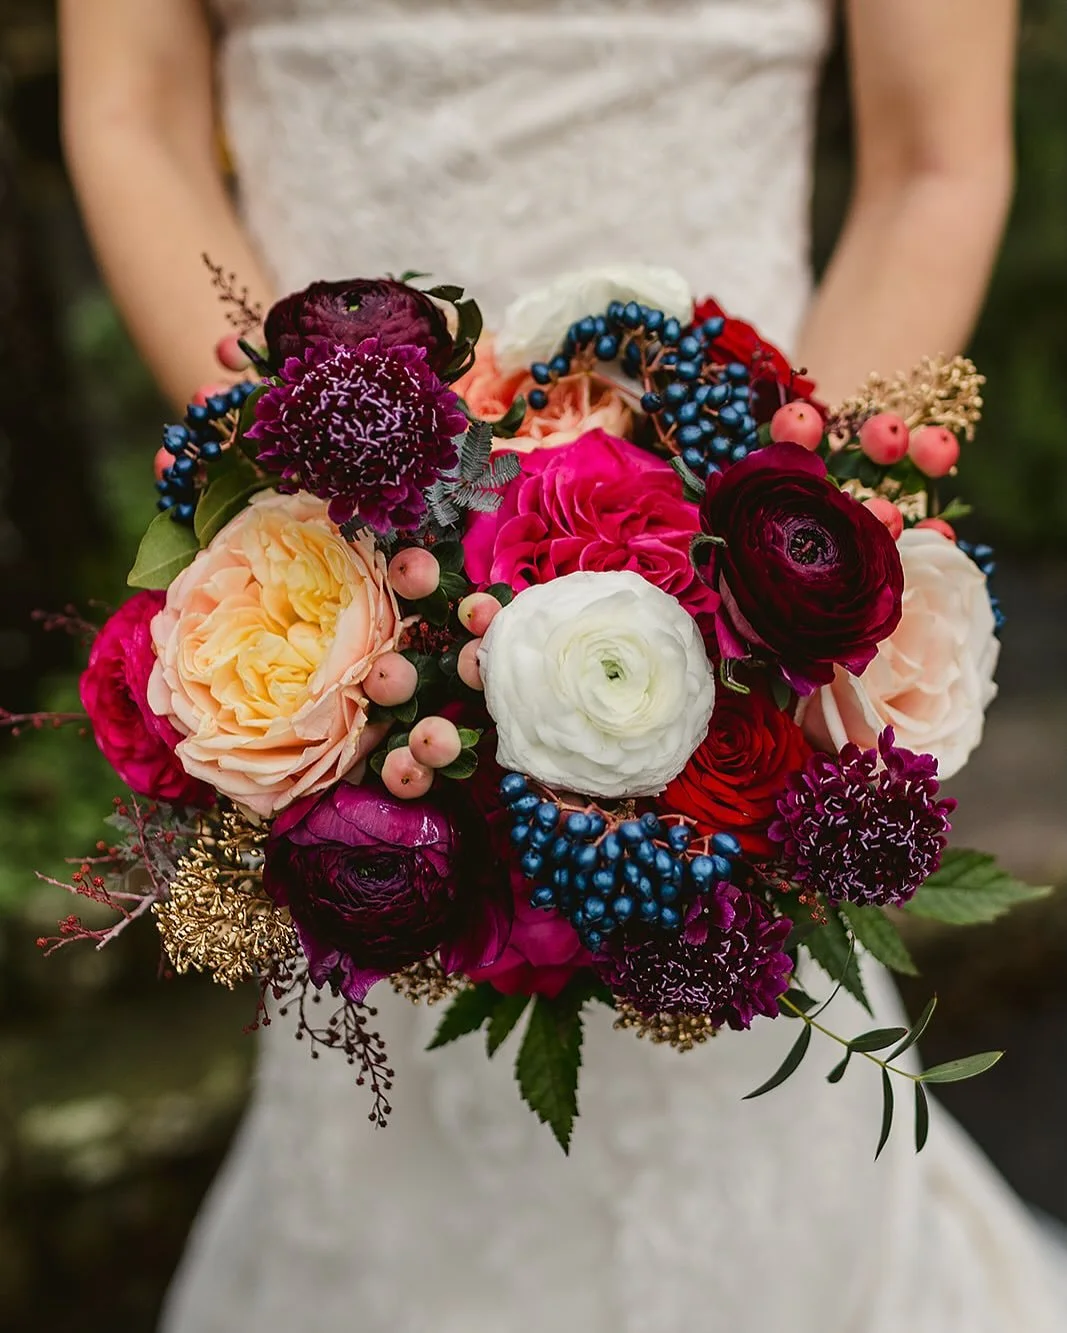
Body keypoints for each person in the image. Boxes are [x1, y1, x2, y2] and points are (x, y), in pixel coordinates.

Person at [58, 2, 1065, 1330]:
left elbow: (933, 162)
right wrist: (334, 500)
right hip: (368, 588)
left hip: (717, 551)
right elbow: (132, 117)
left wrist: (766, 557)